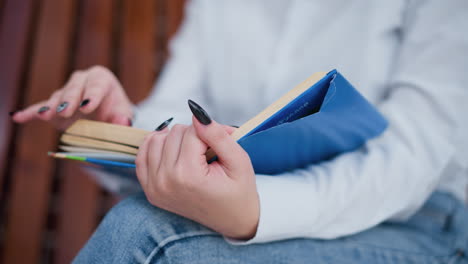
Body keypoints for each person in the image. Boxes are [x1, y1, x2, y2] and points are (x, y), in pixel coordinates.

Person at [11, 0, 468, 263]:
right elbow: (180, 108)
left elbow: (416, 154)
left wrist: (255, 210)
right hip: (252, 207)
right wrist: (125, 128)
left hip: (421, 222)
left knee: (153, 237)